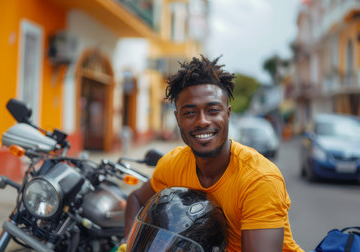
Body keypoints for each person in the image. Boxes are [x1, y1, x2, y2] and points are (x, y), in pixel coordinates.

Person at [124, 55, 303, 252]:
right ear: (177, 118)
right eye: (190, 113)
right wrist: (128, 243)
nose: (202, 121)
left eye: (213, 110)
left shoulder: (259, 179)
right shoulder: (173, 164)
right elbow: (136, 199)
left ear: (227, 113)